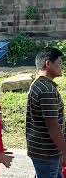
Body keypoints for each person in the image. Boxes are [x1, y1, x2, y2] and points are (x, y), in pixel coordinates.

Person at [26, 47, 65, 178]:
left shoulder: (37, 84)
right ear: (48, 64)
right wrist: (64, 151)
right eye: (59, 64)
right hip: (48, 151)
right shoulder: (47, 89)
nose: (62, 67)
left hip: (41, 149)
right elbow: (52, 125)